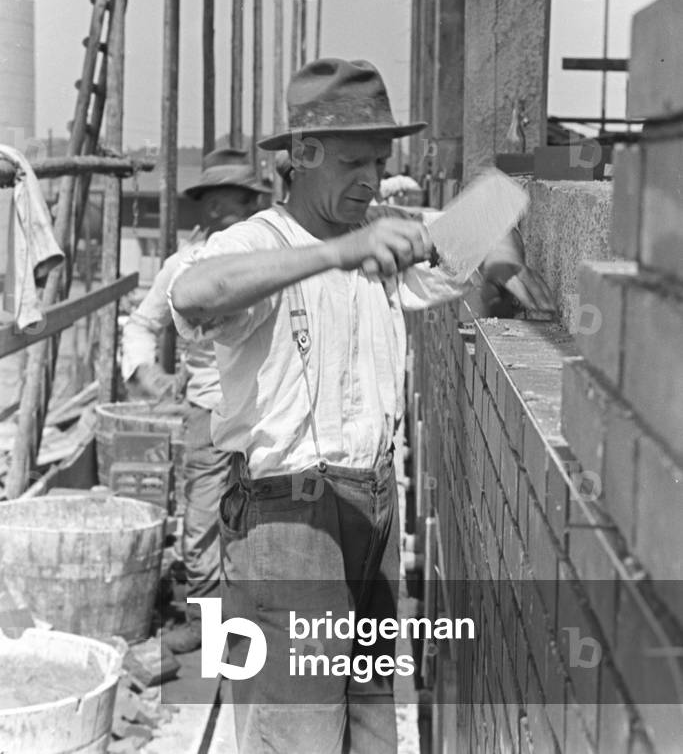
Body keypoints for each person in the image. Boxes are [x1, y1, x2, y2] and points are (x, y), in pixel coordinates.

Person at [169, 59, 554, 750]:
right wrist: (343, 251)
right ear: (302, 156)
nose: (371, 180)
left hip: (372, 509)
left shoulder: (381, 231)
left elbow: (496, 210)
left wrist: (499, 268)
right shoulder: (256, 242)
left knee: (372, 723)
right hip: (286, 521)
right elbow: (196, 292)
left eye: (379, 161)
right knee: (298, 732)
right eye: (353, 162)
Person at [121, 147, 271, 653]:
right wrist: (148, 373)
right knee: (204, 517)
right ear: (204, 207)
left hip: (272, 413)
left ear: (254, 204)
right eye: (218, 204)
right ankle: (206, 622)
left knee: (270, 518)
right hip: (208, 411)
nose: (229, 214)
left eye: (240, 203)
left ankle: (259, 626)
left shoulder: (275, 262)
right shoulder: (181, 267)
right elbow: (142, 324)